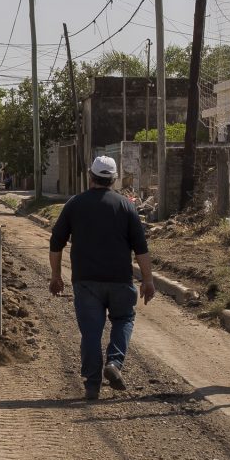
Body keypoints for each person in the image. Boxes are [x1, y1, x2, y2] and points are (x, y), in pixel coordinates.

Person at [49, 156, 156, 400]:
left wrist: (56, 275)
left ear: (90, 176)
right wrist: (148, 280)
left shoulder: (74, 204)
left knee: (90, 331)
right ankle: (115, 363)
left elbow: (56, 243)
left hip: (86, 283)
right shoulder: (127, 206)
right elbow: (141, 248)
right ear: (114, 179)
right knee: (124, 318)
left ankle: (92, 384)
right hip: (120, 280)